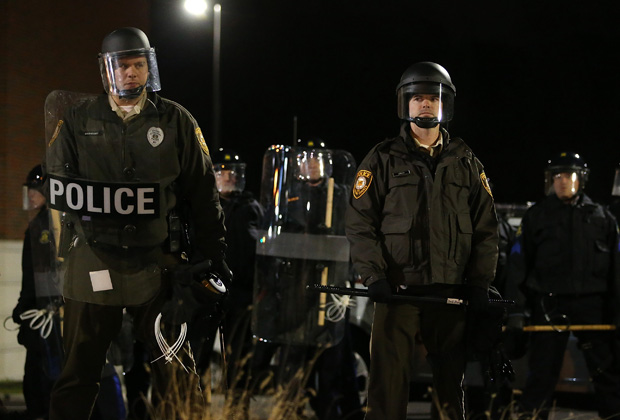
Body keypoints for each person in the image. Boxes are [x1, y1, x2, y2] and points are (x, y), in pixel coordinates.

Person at [44, 27, 228, 420]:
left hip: (157, 262)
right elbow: (60, 187)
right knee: (78, 372)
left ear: (150, 68)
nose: (131, 73)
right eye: (123, 65)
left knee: (177, 370)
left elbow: (203, 194)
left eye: (139, 65)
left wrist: (213, 253)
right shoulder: (76, 120)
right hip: (93, 261)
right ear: (106, 71)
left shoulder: (176, 120)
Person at [345, 61, 499, 420]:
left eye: (434, 97)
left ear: (446, 105)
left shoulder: (467, 163)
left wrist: (479, 283)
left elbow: (486, 229)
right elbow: (359, 222)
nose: (426, 104)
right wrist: (374, 277)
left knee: (450, 389)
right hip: (398, 291)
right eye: (418, 98)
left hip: (451, 293)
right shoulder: (382, 158)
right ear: (405, 104)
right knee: (387, 386)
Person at [505, 152, 620, 419]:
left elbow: (617, 271)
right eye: (556, 176)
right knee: (541, 374)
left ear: (581, 179)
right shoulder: (537, 216)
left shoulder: (603, 218)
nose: (561, 181)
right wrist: (515, 312)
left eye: (568, 175)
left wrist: (617, 313)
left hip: (594, 308)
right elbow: (517, 267)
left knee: (608, 375)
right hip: (549, 305)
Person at [209, 148, 264, 417]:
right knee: (200, 353)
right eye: (222, 171)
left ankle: (237, 410)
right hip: (207, 293)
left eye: (233, 172)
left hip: (242, 295)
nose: (228, 176)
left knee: (239, 357)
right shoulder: (204, 205)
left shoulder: (252, 207)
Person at [11, 165, 63, 420]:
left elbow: (37, 277)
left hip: (47, 316)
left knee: (40, 378)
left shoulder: (46, 228)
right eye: (29, 189)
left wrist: (27, 308)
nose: (31, 194)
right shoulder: (48, 224)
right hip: (45, 314)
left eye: (36, 189)